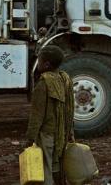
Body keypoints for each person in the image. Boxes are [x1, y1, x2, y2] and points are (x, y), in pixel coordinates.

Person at [25, 45, 75, 185]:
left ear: (46, 64)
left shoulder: (43, 83)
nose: (38, 63)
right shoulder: (65, 79)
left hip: (46, 135)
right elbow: (70, 109)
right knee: (58, 167)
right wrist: (70, 132)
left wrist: (29, 139)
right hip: (62, 134)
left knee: (46, 168)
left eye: (39, 61)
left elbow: (37, 116)